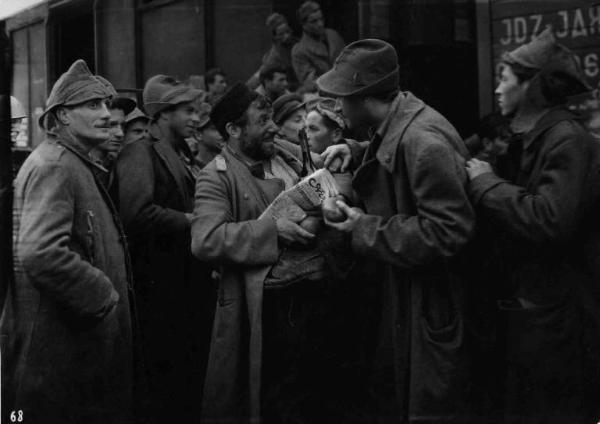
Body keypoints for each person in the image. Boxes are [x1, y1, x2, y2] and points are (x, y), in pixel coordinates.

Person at [318, 39, 476, 422]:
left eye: (341, 97)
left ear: (363, 96)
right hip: (413, 299)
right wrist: (357, 151)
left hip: (432, 306)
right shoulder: (401, 121)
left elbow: (448, 231)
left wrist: (362, 227)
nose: (337, 108)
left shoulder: (424, 142)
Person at [193, 82, 354, 423]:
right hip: (270, 312)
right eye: (263, 120)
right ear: (233, 130)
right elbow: (206, 239)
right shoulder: (215, 177)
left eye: (272, 119)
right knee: (280, 400)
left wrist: (329, 204)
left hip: (318, 295)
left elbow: (320, 188)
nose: (274, 127)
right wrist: (272, 230)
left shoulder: (286, 155)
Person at [465, 28, 598, 424]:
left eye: (506, 79)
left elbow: (550, 219)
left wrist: (487, 184)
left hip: (560, 324)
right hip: (540, 317)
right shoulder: (542, 138)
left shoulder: (566, 141)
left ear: (533, 87)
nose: (498, 89)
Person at [1, 59, 135, 424]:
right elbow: (40, 252)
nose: (107, 114)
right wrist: (103, 294)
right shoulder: (57, 166)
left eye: (107, 104)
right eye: (93, 105)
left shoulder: (69, 161)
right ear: (61, 117)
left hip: (69, 346)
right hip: (57, 353)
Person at [112, 75, 213, 423]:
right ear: (162, 114)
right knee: (165, 374)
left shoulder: (182, 154)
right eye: (187, 111)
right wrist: (189, 219)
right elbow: (136, 214)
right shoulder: (140, 153)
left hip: (184, 283)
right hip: (160, 286)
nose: (195, 118)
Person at [291, 1, 344, 95]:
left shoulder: (333, 35)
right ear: (303, 25)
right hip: (322, 96)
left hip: (346, 88)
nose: (320, 24)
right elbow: (310, 83)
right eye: (314, 21)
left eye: (321, 19)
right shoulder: (299, 51)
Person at [247, 13, 298, 90]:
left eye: (287, 31)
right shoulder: (274, 57)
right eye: (281, 34)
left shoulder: (296, 42)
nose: (287, 36)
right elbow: (259, 78)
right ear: (275, 37)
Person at [91, 96, 136, 178]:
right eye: (111, 125)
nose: (120, 133)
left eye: (122, 126)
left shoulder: (118, 163)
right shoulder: (72, 164)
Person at [191, 101, 224, 168]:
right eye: (214, 129)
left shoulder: (224, 165)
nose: (222, 133)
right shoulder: (194, 170)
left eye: (222, 127)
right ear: (198, 135)